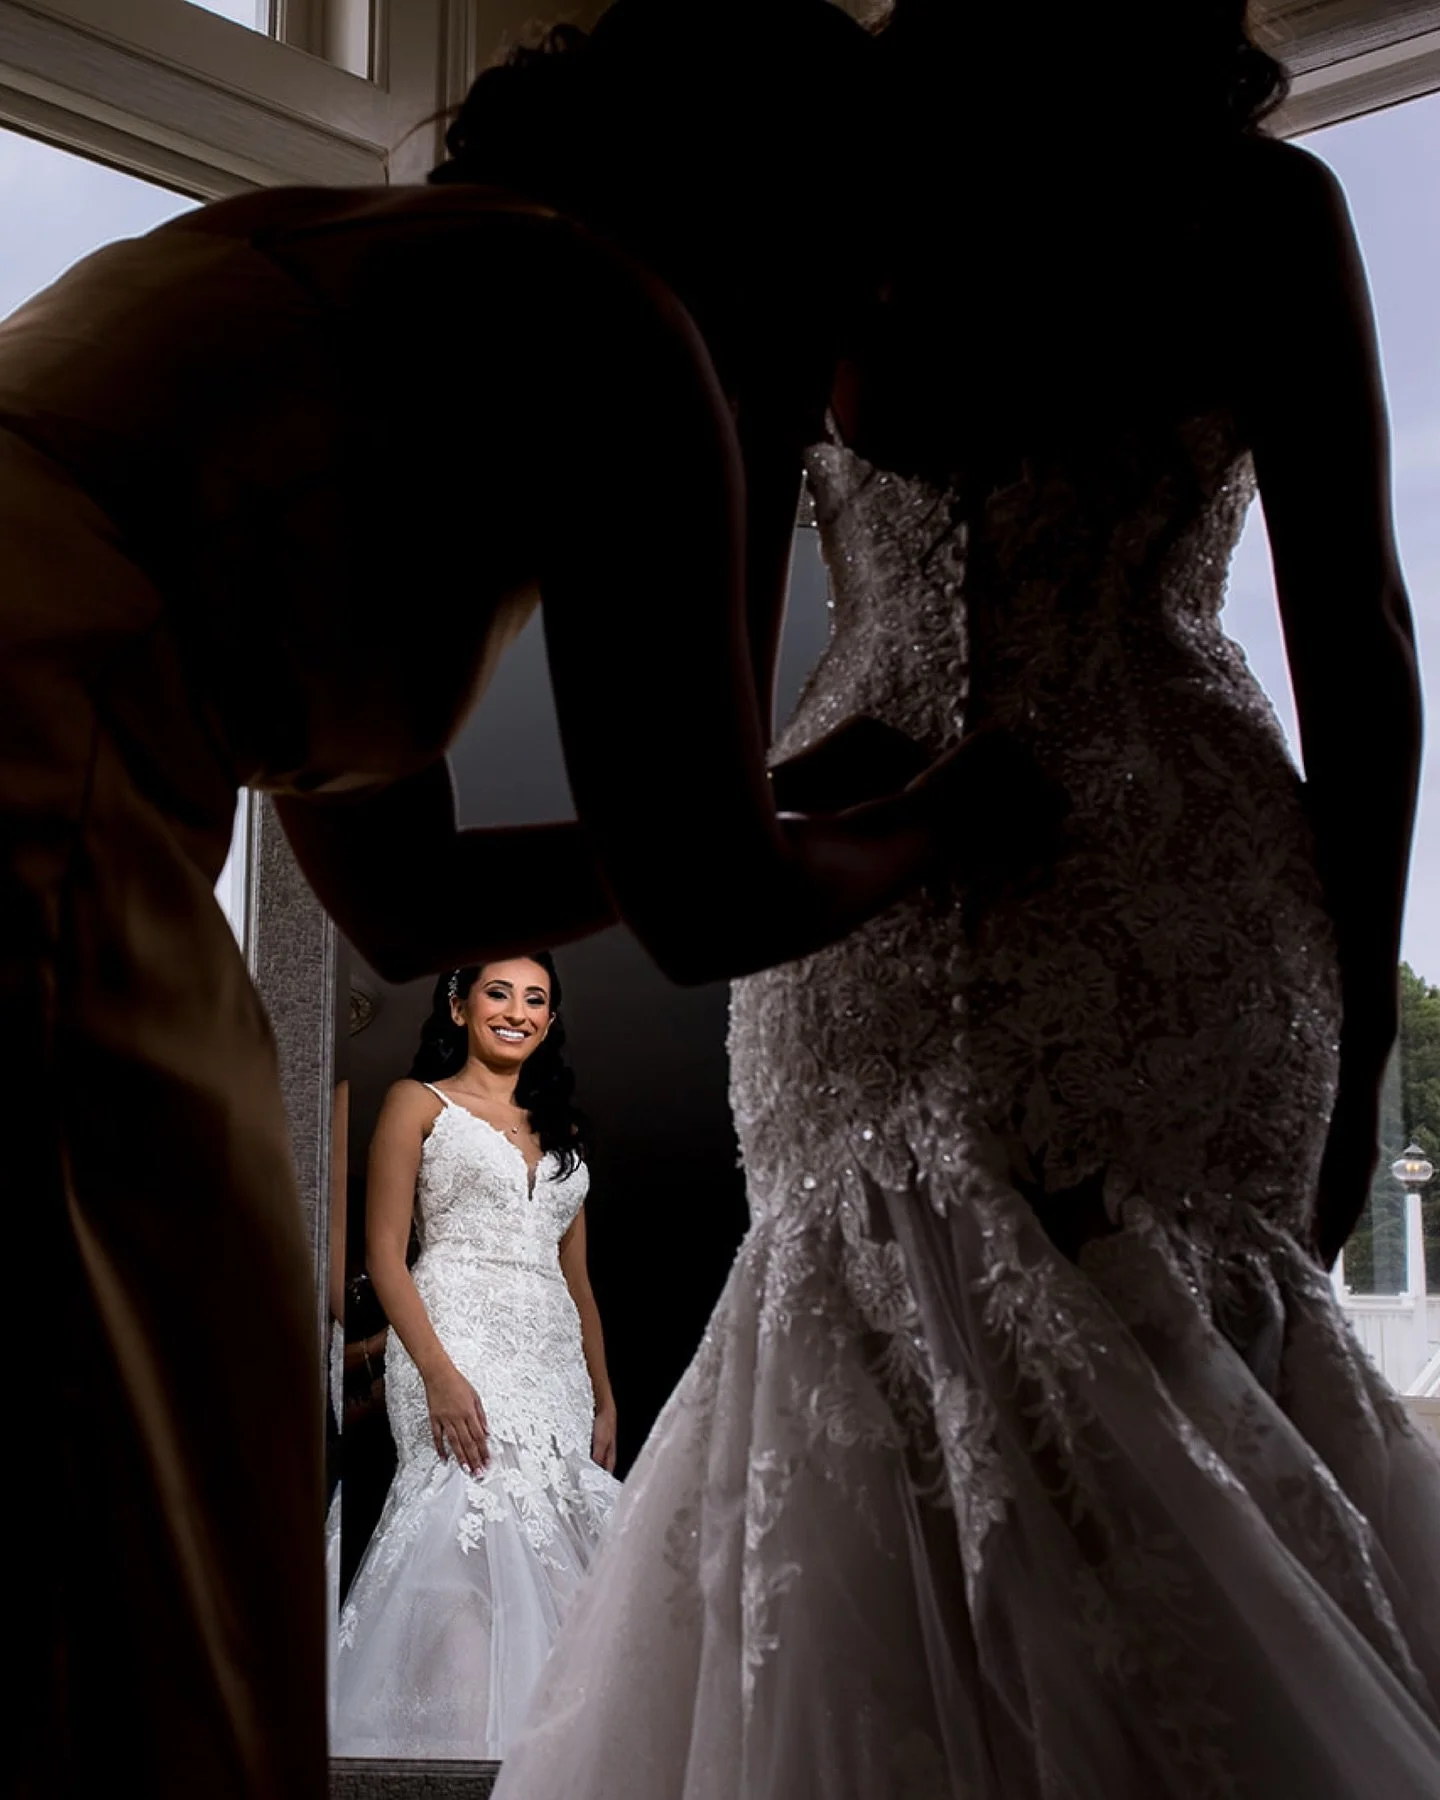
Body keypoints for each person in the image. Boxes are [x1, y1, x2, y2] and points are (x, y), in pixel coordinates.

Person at [0, 3, 1051, 1792]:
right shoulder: (611, 319)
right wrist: (950, 817)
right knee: (138, 1501)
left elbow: (405, 897)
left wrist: (776, 800)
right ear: (782, 219)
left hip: (73, 766)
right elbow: (711, 901)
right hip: (45, 811)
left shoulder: (313, 269)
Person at [494, 4, 1440, 1797]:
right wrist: (1364, 1006)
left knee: (880, 1319)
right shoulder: (1252, 210)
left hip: (867, 819)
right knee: (1156, 1335)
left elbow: (717, 635)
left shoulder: (829, 218)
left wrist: (759, 805)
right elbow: (1359, 637)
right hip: (1175, 852)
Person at [330, 954, 617, 1758]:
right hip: (455, 1340)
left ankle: (536, 1761)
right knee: (465, 1537)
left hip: (554, 1362)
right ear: (459, 1006)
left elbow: (579, 1283)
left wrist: (604, 1395)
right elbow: (386, 1256)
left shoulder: (563, 1133)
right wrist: (439, 1373)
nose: (518, 1012)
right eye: (499, 993)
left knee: (555, 1556)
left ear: (550, 1021)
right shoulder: (417, 1103)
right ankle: (450, 1759)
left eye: (537, 1000)